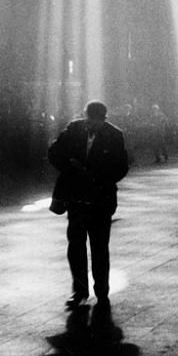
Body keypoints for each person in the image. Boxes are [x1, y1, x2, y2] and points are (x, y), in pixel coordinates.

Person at [48, 100, 129, 310]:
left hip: (100, 199)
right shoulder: (74, 128)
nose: (91, 125)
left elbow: (121, 167)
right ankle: (80, 290)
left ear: (103, 118)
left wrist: (98, 177)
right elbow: (53, 152)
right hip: (77, 199)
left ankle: (101, 291)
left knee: (99, 247)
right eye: (88, 119)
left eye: (95, 121)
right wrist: (70, 165)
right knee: (76, 246)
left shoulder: (114, 134)